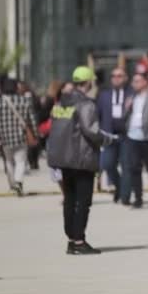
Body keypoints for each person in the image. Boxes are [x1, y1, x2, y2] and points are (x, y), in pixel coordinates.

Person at [47, 66, 115, 255]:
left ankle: (71, 239)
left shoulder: (61, 102)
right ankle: (79, 241)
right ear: (89, 82)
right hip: (81, 158)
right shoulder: (86, 104)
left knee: (69, 199)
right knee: (83, 201)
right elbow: (91, 131)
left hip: (63, 158)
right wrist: (107, 139)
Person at [121, 72, 148, 208]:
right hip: (132, 135)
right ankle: (138, 198)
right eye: (134, 81)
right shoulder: (132, 97)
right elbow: (124, 117)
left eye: (138, 81)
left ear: (146, 82)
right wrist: (126, 108)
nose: (134, 84)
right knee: (134, 167)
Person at [0, 79, 38, 196]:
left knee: (9, 161)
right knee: (21, 162)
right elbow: (31, 119)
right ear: (16, 88)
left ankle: (12, 184)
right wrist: (35, 133)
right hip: (20, 137)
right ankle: (18, 182)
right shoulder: (24, 101)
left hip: (5, 137)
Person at [97, 68, 133, 203]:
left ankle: (125, 196)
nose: (116, 78)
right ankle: (120, 187)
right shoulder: (104, 95)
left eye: (120, 76)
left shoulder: (132, 94)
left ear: (125, 78)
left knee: (126, 165)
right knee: (107, 164)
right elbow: (98, 115)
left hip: (127, 136)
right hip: (109, 136)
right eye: (114, 76)